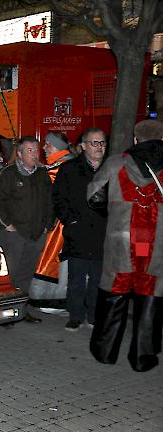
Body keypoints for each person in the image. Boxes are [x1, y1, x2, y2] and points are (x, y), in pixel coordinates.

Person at [88, 119, 163, 372]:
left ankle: (105, 351)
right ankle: (143, 358)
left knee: (114, 294)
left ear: (135, 140)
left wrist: (114, 209)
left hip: (122, 240)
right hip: (155, 243)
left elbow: (94, 197)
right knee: (150, 296)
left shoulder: (116, 162)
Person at [0, 136, 55, 323]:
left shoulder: (42, 175)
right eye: (30, 151)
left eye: (36, 150)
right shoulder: (8, 173)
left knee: (26, 274)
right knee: (10, 273)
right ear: (19, 154)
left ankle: (20, 309)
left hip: (36, 233)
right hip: (14, 234)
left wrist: (47, 225)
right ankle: (3, 311)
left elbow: (51, 203)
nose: (35, 155)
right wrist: (6, 224)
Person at [53, 128, 107, 331]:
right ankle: (75, 315)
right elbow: (58, 198)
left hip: (103, 233)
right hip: (78, 232)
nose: (99, 147)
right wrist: (70, 220)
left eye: (102, 143)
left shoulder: (111, 169)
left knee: (97, 278)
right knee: (76, 278)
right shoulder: (69, 169)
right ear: (83, 146)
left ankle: (93, 316)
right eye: (95, 143)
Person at [31, 131, 75, 309]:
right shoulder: (62, 164)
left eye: (47, 144)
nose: (44, 148)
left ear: (55, 146)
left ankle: (51, 299)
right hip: (60, 222)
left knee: (51, 259)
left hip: (59, 225)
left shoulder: (61, 166)